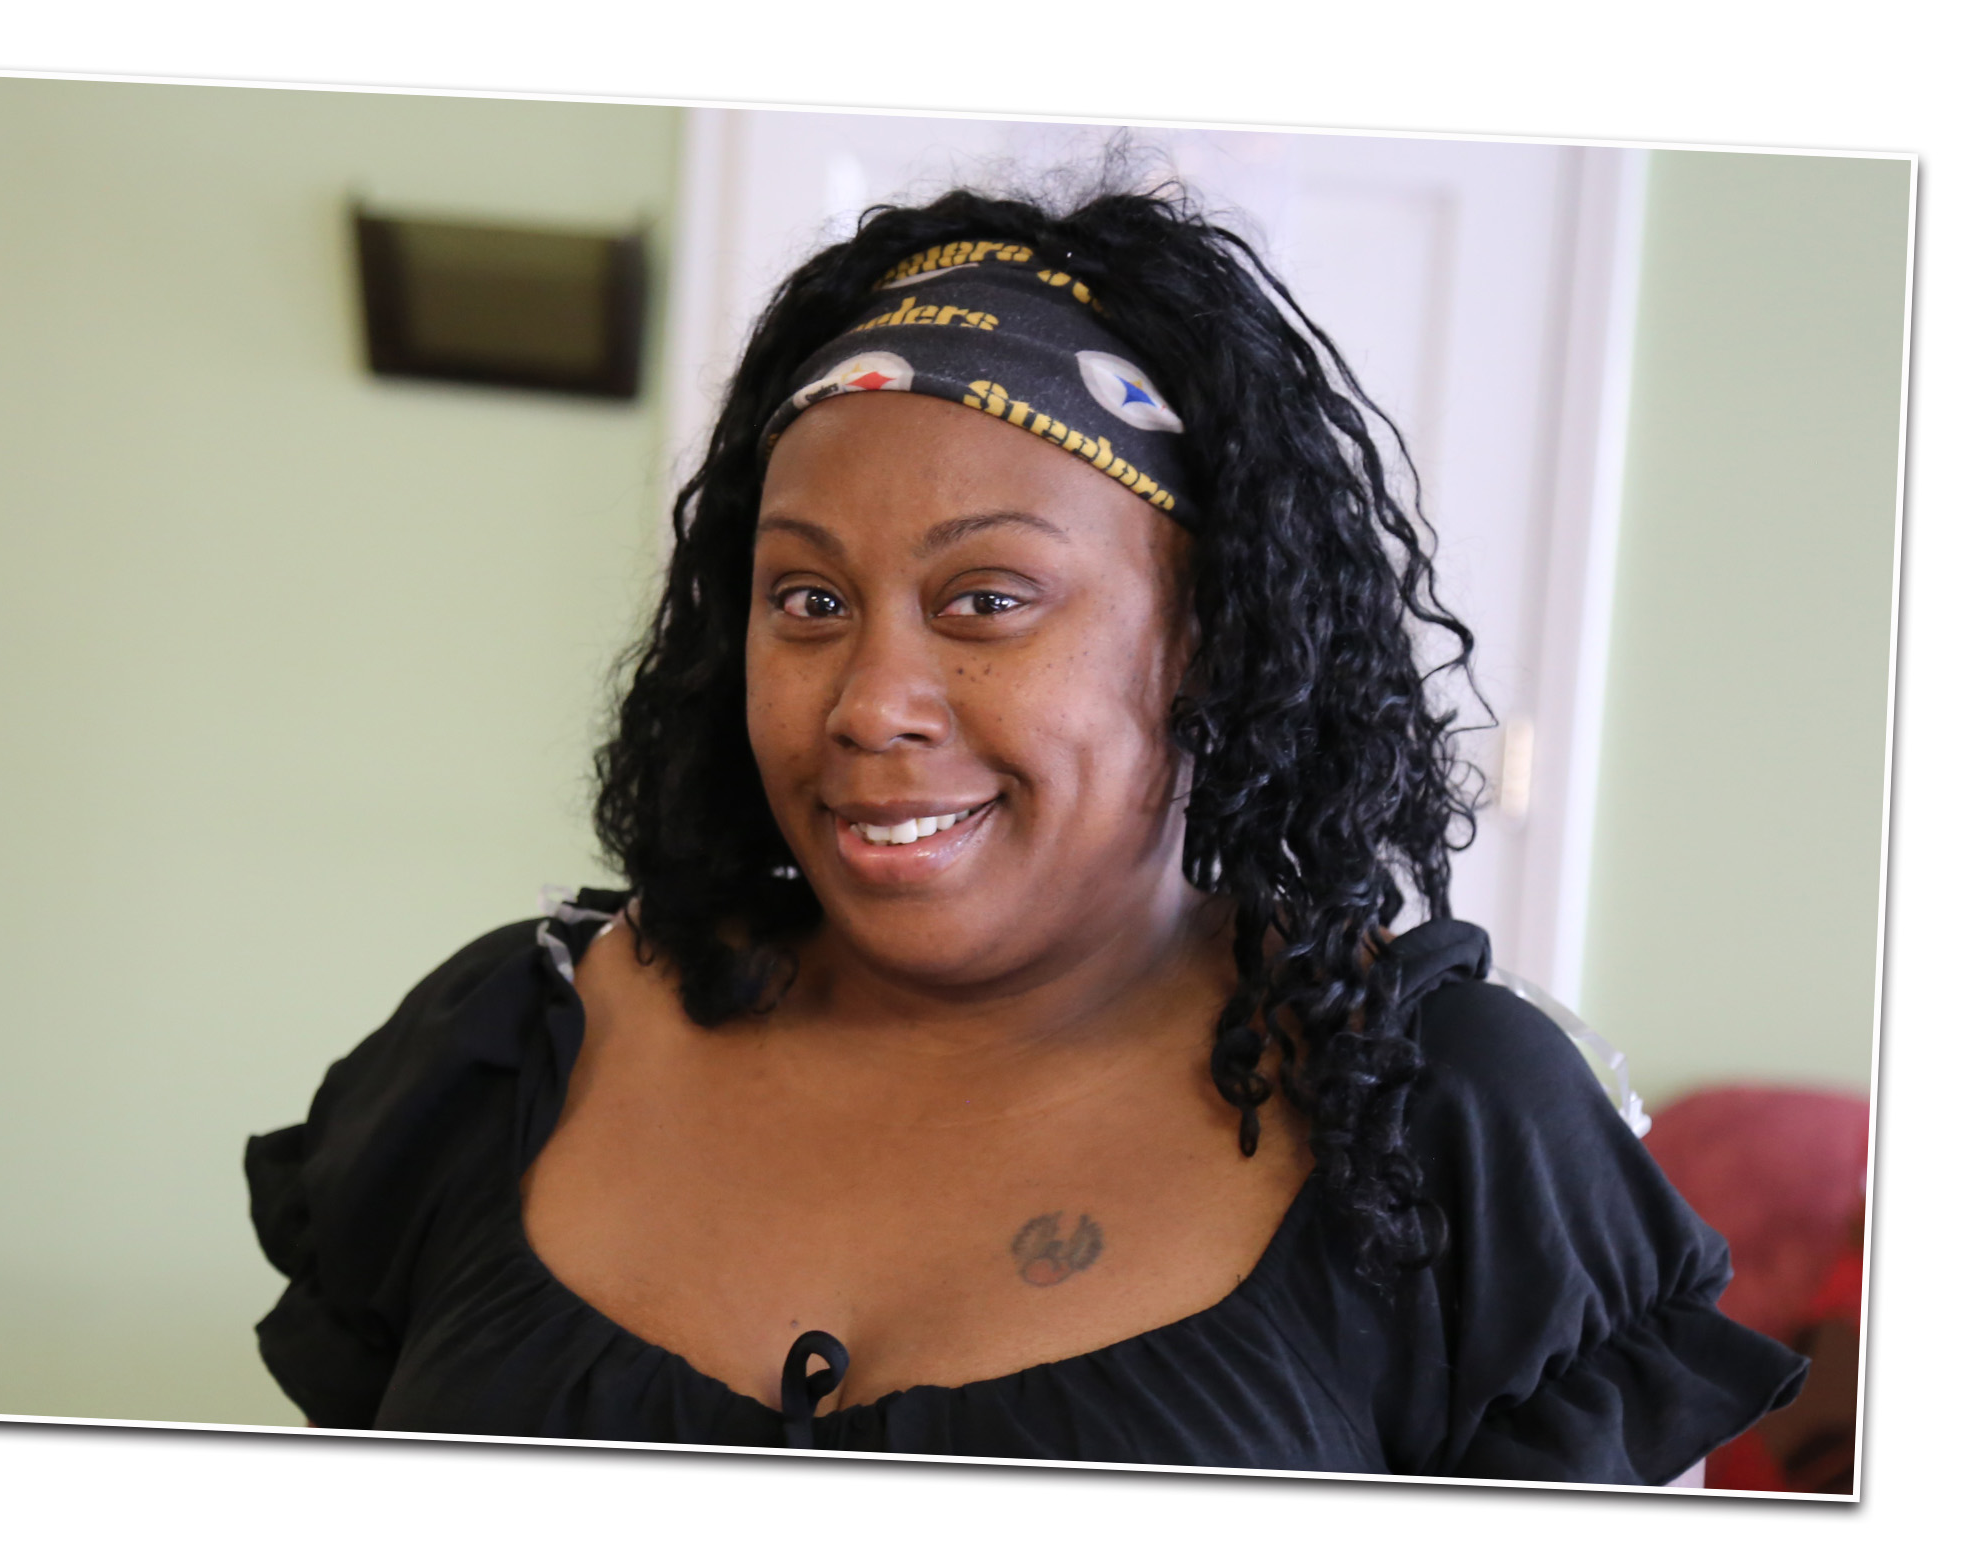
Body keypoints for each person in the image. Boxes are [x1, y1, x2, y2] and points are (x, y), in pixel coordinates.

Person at [245, 184, 1805, 1479]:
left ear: (1204, 641)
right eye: (809, 601)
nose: (872, 702)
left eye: (987, 600)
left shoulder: (1443, 1129)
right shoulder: (510, 1056)